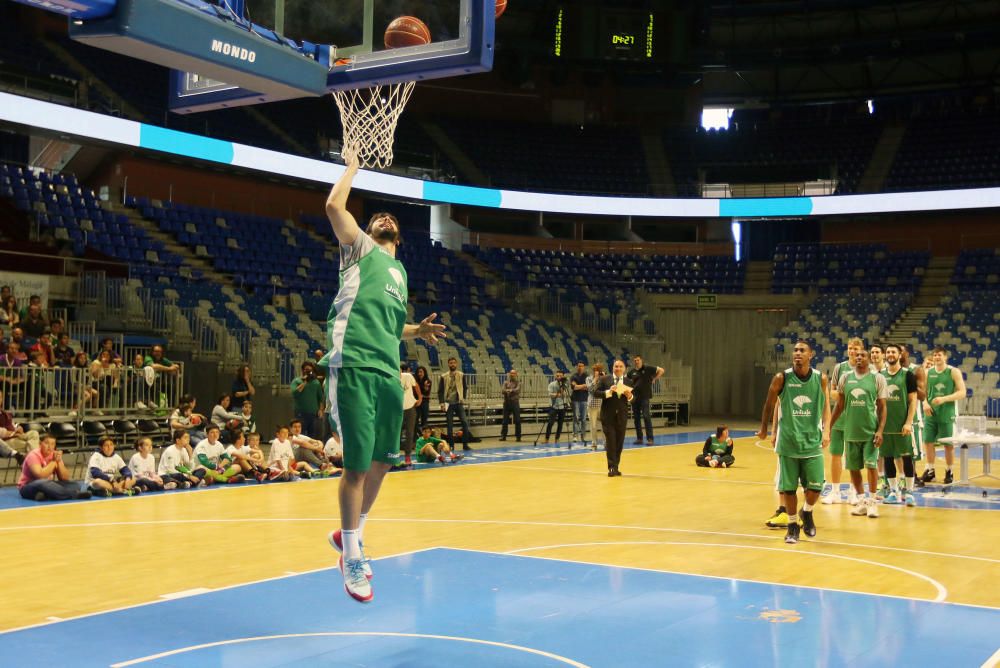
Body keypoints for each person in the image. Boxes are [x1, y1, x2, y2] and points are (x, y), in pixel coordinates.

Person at [321, 148, 447, 603]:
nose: (385, 219)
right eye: (377, 217)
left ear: (399, 238)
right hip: (353, 363)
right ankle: (351, 553)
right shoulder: (358, 248)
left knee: (384, 462)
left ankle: (350, 533)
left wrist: (417, 330)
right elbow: (335, 207)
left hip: (387, 372)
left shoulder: (399, 271)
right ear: (369, 230)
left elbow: (391, 325)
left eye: (390, 219)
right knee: (356, 466)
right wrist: (354, 166)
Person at [757, 340, 831, 543]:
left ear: (811, 355)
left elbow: (826, 407)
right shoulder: (782, 378)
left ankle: (806, 512)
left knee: (816, 487)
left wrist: (827, 431)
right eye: (795, 350)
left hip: (812, 441)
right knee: (788, 488)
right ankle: (791, 526)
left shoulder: (820, 379)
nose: (797, 353)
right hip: (789, 442)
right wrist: (765, 428)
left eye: (802, 350)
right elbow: (769, 405)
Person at [830, 348, 888, 519]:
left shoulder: (877, 378)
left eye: (863, 355)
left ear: (869, 359)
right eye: (857, 356)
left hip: (870, 431)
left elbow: (883, 407)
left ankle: (871, 502)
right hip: (851, 431)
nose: (860, 358)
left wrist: (880, 430)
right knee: (854, 468)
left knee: (871, 466)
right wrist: (829, 426)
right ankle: (862, 500)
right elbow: (839, 406)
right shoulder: (845, 377)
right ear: (853, 359)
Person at [822, 337, 863, 506]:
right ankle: (835, 491)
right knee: (835, 455)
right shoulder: (840, 368)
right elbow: (832, 392)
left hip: (857, 419)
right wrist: (843, 394)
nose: (852, 351)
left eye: (855, 348)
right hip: (839, 418)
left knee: (853, 457)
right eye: (849, 348)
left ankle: (854, 492)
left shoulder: (866, 369)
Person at [920, 347, 967, 485]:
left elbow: (962, 392)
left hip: (947, 413)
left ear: (945, 357)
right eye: (934, 355)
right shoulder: (928, 372)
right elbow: (922, 391)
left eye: (939, 355)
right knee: (928, 442)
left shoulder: (953, 372)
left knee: (948, 444)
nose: (936, 357)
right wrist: (924, 403)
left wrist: (944, 399)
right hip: (930, 413)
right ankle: (930, 470)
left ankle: (949, 471)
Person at [880, 344, 918, 506]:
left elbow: (913, 401)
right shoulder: (879, 375)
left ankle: (909, 492)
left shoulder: (908, 375)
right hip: (885, 426)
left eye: (893, 352)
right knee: (888, 458)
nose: (890, 354)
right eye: (888, 352)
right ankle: (894, 492)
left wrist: (909, 422)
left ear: (900, 354)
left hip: (902, 425)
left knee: (906, 457)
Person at [18, 433, 91, 501]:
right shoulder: (33, 455)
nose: (50, 447)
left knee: (75, 485)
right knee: (42, 482)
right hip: (28, 486)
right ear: (40, 444)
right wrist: (53, 461)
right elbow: (40, 476)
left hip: (47, 485)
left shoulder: (54, 455)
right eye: (46, 443)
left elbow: (64, 478)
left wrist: (58, 461)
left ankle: (46, 495)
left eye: (52, 444)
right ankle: (73, 495)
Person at [592, 360, 633, 476]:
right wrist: (608, 392)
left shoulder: (629, 381)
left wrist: (630, 396)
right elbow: (595, 392)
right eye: (616, 366)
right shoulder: (605, 379)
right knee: (611, 442)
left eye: (621, 366)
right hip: (608, 416)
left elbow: (634, 399)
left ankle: (616, 466)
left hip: (622, 416)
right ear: (613, 367)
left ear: (624, 369)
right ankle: (611, 467)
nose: (618, 368)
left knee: (619, 442)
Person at [626, 355, 664, 446]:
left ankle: (650, 439)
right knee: (636, 418)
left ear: (641, 360)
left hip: (645, 397)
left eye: (638, 360)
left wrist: (654, 378)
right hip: (634, 397)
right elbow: (627, 381)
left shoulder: (648, 368)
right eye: (635, 360)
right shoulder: (632, 372)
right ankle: (639, 438)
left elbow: (661, 370)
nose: (636, 362)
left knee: (646, 417)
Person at [438, 357, 473, 451]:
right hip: (447, 403)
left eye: (454, 363)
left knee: (465, 423)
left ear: (456, 364)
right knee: (450, 425)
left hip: (458, 403)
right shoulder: (443, 376)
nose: (452, 364)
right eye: (450, 363)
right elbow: (440, 391)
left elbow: (465, 387)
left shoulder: (461, 375)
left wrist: (463, 397)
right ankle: (452, 445)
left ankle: (465, 444)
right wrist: (441, 403)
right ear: (448, 364)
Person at [291, 361, 325, 438]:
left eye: (310, 370)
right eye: (307, 370)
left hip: (313, 414)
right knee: (300, 434)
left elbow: (321, 398)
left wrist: (320, 410)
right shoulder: (297, 381)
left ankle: (310, 450)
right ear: (303, 370)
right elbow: (295, 393)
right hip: (300, 413)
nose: (309, 372)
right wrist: (305, 381)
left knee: (312, 434)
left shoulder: (316, 382)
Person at [0, 388, 39, 453]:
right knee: (30, 445)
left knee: (34, 433)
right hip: (4, 442)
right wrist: (14, 434)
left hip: (15, 436)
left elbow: (12, 425)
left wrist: (18, 428)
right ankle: (35, 460)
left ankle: (34, 458)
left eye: (0, 397)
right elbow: (1, 432)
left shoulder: (5, 413)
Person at [399, 364, 420, 466]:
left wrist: (420, 397)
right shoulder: (390, 379)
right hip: (397, 410)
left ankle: (408, 456)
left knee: (410, 433)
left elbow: (416, 385)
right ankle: (394, 456)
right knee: (396, 434)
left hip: (410, 408)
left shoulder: (407, 376)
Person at [543, 370, 569, 445]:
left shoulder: (565, 385)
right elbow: (551, 395)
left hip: (562, 406)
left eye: (560, 376)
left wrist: (561, 389)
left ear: (563, 376)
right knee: (550, 423)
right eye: (557, 376)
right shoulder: (551, 384)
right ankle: (547, 438)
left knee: (560, 424)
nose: (559, 377)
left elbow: (564, 395)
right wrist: (558, 394)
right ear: (555, 376)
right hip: (553, 406)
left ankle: (557, 438)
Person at [569, 361, 590, 447]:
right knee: (576, 418)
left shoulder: (587, 376)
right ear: (577, 367)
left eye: (582, 366)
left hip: (584, 399)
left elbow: (589, 387)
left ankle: (583, 435)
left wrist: (579, 386)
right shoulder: (573, 376)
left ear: (584, 367)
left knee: (584, 419)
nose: (580, 367)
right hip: (575, 400)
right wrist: (583, 386)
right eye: (579, 366)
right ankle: (575, 435)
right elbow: (574, 387)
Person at [585, 363, 605, 451]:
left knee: (604, 425)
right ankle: (594, 443)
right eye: (596, 370)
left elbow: (606, 389)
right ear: (593, 370)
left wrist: (603, 378)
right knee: (593, 426)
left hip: (602, 404)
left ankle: (606, 443)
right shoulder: (588, 378)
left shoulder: (603, 378)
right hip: (592, 405)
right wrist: (596, 379)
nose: (598, 372)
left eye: (599, 370)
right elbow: (590, 389)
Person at [499, 369, 522, 442]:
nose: (512, 375)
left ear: (516, 374)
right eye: (511, 373)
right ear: (509, 374)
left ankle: (518, 436)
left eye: (513, 373)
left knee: (517, 420)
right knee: (505, 421)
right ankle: (503, 436)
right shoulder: (505, 382)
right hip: (506, 403)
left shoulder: (519, 383)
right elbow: (502, 390)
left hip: (515, 403)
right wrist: (510, 390)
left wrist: (510, 390)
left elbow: (517, 390)